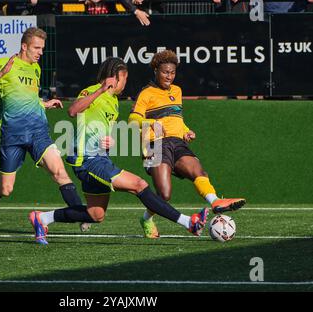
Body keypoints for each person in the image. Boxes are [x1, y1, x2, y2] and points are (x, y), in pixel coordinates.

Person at [28, 57, 208, 245]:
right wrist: (100, 89)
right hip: (87, 159)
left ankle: (42, 218)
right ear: (114, 77)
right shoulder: (91, 91)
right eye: (124, 78)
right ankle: (189, 222)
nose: (125, 83)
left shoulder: (113, 102)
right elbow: (73, 111)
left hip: (100, 157)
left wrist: (108, 141)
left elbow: (96, 129)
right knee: (139, 185)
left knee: (95, 214)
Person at [0, 27, 88, 228]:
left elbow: (29, 97)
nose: (40, 52)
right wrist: (2, 73)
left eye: (42, 48)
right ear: (24, 46)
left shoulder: (36, 69)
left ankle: (81, 214)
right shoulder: (5, 63)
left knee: (59, 172)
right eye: (36, 48)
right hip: (13, 135)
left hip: (38, 131)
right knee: (6, 188)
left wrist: (44, 103)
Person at [128, 50, 246, 239]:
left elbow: (175, 118)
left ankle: (215, 201)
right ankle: (146, 219)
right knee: (164, 195)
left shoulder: (177, 91)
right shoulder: (146, 93)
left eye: (172, 73)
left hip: (177, 142)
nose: (169, 76)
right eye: (165, 72)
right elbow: (132, 121)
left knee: (198, 171)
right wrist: (152, 124)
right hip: (154, 144)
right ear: (156, 70)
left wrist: (186, 131)